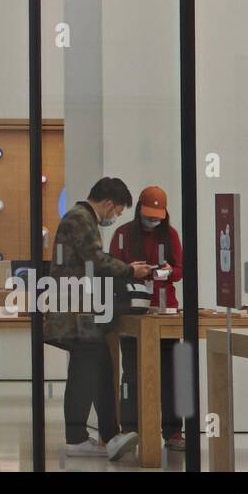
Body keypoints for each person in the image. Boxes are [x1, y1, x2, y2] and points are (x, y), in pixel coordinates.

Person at [43, 176, 150, 461]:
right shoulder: (80, 219)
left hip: (81, 311)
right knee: (86, 371)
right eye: (117, 211)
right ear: (108, 203)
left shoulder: (80, 218)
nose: (115, 217)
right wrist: (130, 270)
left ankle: (110, 436)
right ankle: (77, 438)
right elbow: (96, 261)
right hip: (76, 312)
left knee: (100, 368)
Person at [109, 184, 185, 452]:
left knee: (173, 373)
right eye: (148, 214)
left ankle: (174, 431)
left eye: (157, 216)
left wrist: (166, 273)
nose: (152, 220)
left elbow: (180, 269)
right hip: (132, 311)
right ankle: (130, 429)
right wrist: (132, 272)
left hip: (165, 310)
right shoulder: (122, 235)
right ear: (139, 209)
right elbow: (112, 268)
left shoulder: (171, 235)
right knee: (132, 372)